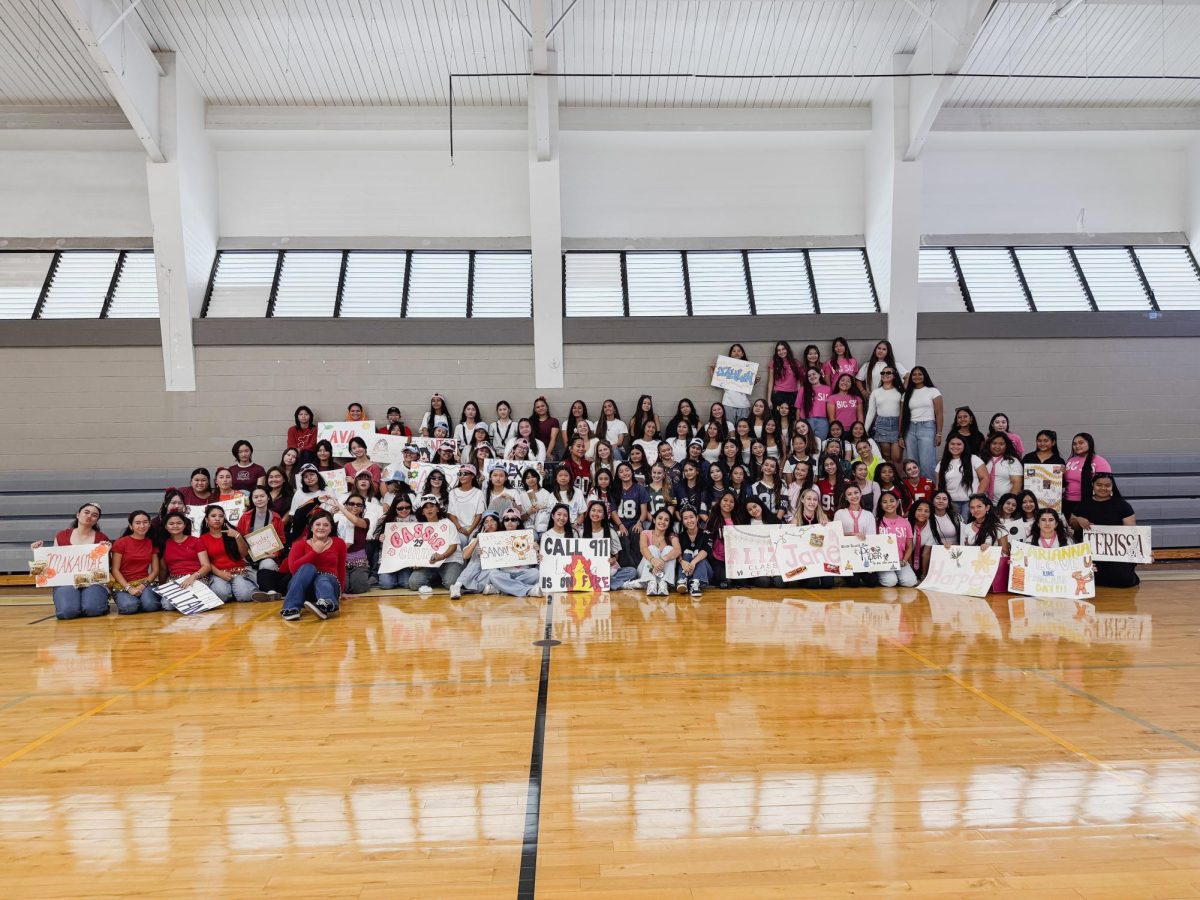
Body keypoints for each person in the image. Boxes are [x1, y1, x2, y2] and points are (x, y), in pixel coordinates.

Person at [30, 503, 111, 620]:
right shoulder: (62, 535)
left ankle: (92, 603)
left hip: (93, 582)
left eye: (94, 515)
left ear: (97, 520)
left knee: (93, 609)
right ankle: (75, 604)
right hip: (66, 582)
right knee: (66, 612)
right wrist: (37, 553)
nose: (89, 516)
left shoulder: (102, 538)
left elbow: (105, 568)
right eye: (86, 512)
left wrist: (107, 552)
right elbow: (52, 565)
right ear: (78, 515)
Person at [1070, 472, 1140, 587]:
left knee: (1124, 581)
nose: (1103, 488)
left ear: (1112, 487)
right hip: (1091, 552)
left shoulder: (1122, 505)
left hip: (1116, 553)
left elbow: (1131, 532)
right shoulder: (1084, 504)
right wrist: (1078, 519)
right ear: (1093, 485)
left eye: (1107, 485)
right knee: (1087, 579)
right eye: (1099, 485)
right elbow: (1072, 524)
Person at [280, 510, 347, 621]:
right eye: (318, 524)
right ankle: (290, 608)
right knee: (308, 567)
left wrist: (342, 591)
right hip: (303, 587)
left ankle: (326, 604)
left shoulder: (339, 543)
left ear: (331, 528)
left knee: (323, 577)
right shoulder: (299, 544)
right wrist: (314, 552)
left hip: (328, 586)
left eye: (326, 525)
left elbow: (341, 569)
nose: (321, 528)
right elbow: (293, 569)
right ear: (311, 527)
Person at [407, 495, 465, 594]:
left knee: (450, 583)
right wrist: (416, 562)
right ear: (422, 511)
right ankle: (438, 578)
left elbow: (453, 546)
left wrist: (442, 556)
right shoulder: (419, 527)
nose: (429, 509)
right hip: (430, 563)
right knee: (414, 583)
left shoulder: (448, 523)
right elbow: (417, 548)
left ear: (437, 509)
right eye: (426, 507)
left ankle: (443, 577)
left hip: (450, 560)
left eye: (432, 506)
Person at [200, 504, 257, 602]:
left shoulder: (233, 532)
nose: (217, 519)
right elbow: (206, 562)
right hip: (218, 573)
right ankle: (233, 591)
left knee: (245, 596)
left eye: (221, 516)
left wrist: (237, 536)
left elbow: (243, 554)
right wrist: (220, 573)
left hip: (238, 572)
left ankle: (240, 590)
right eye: (213, 516)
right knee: (222, 595)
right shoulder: (202, 539)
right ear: (206, 520)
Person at [110, 511, 163, 614]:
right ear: (131, 526)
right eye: (137, 523)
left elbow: (155, 570)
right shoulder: (121, 543)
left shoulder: (152, 542)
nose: (142, 526)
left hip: (144, 583)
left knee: (150, 605)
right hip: (123, 585)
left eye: (145, 522)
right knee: (130, 607)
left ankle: (142, 601)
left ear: (149, 524)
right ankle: (135, 601)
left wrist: (142, 586)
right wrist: (129, 588)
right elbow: (115, 570)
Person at [580, 500, 639, 591]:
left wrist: (612, 560)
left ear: (604, 516)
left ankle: (604, 582)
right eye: (593, 510)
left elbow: (616, 556)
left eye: (599, 511)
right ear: (588, 513)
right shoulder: (581, 532)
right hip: (588, 571)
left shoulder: (610, 532)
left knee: (632, 571)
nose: (596, 513)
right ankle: (619, 584)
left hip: (608, 571)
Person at [897, 366, 943, 480]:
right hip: (910, 429)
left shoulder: (933, 391)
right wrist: (901, 436)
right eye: (914, 375)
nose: (917, 377)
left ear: (925, 376)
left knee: (927, 463)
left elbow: (939, 414)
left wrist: (939, 433)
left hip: (927, 428)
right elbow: (902, 417)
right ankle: (915, 493)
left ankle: (929, 491)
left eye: (920, 374)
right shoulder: (906, 394)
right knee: (913, 463)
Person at [159, 510, 211, 609]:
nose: (175, 526)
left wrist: (193, 577)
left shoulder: (196, 541)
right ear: (166, 526)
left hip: (196, 577)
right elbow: (163, 569)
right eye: (171, 523)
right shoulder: (164, 544)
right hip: (174, 579)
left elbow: (207, 566)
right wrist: (162, 588)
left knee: (194, 601)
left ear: (184, 525)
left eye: (179, 523)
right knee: (167, 605)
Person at [238, 485, 286, 576]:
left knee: (269, 566)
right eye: (255, 497)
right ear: (251, 499)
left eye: (262, 496)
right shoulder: (245, 517)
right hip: (247, 557)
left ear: (268, 497)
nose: (259, 499)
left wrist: (274, 554)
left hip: (267, 556)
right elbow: (239, 538)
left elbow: (281, 540)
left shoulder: (276, 517)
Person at [1064, 432, 1111, 521]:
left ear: (1089, 443)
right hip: (1067, 502)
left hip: (1088, 503)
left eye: (1081, 443)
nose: (1077, 446)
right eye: (1074, 444)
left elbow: (1106, 484)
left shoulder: (1100, 461)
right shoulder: (1070, 460)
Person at [938, 435, 987, 518]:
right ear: (948, 446)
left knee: (968, 527)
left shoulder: (974, 459)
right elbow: (938, 485)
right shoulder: (942, 463)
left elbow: (985, 478)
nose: (955, 446)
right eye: (952, 444)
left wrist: (978, 497)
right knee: (955, 528)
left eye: (959, 444)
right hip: (951, 503)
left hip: (970, 501)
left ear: (964, 446)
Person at [634, 509, 681, 596]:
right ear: (654, 520)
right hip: (647, 567)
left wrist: (662, 559)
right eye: (660, 518)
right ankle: (651, 583)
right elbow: (643, 549)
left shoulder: (672, 536)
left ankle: (663, 583)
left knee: (670, 549)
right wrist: (652, 560)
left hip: (663, 572)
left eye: (666, 520)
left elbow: (678, 550)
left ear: (669, 523)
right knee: (652, 548)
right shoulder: (645, 533)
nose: (663, 522)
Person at [876, 491, 918, 587]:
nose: (889, 504)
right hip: (884, 562)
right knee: (890, 582)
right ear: (881, 505)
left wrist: (904, 560)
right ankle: (890, 576)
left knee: (910, 582)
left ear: (897, 502)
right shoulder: (877, 522)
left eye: (892, 501)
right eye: (885, 502)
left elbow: (909, 546)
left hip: (901, 561)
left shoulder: (905, 522)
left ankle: (899, 576)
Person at [374, 496, 417, 590]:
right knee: (386, 585)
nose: (404, 510)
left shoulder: (416, 519)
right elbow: (374, 535)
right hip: (388, 559)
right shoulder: (385, 518)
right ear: (394, 507)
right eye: (400, 508)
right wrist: (379, 537)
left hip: (407, 560)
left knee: (406, 584)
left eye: (407, 507)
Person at [710, 343, 760, 424]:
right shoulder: (725, 366)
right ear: (730, 354)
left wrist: (757, 379)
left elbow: (749, 386)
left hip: (743, 404)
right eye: (734, 351)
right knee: (730, 428)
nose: (736, 353)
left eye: (739, 351)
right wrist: (712, 369)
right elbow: (716, 382)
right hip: (728, 403)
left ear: (743, 353)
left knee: (743, 428)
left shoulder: (749, 368)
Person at [865, 366, 904, 463]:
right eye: (883, 373)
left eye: (888, 373)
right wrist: (865, 430)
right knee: (885, 455)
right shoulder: (876, 392)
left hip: (897, 425)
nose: (885, 375)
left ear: (894, 376)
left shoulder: (900, 392)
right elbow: (871, 413)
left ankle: (897, 477)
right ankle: (888, 477)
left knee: (897, 457)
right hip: (882, 424)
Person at [705, 489, 739, 588]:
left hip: (735, 558)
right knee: (726, 581)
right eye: (725, 500)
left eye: (732, 501)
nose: (728, 503)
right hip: (718, 558)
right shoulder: (712, 520)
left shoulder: (738, 518)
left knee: (741, 581)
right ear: (719, 502)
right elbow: (707, 541)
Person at [675, 506, 711, 597]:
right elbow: (677, 552)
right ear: (682, 521)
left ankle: (695, 584)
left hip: (704, 572)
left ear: (697, 517)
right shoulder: (680, 536)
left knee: (700, 558)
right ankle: (682, 581)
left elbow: (705, 551)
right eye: (685, 518)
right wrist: (681, 561)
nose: (689, 521)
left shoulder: (706, 534)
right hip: (686, 570)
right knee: (686, 555)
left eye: (691, 517)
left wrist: (694, 562)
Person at [447, 465, 485, 544]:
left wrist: (470, 530)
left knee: (474, 542)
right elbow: (451, 514)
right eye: (460, 474)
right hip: (457, 528)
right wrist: (459, 528)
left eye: (465, 474)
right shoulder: (452, 492)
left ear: (472, 476)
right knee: (461, 540)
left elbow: (479, 515)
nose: (462, 476)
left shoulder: (479, 493)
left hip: (474, 529)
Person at [983, 432, 1024, 503]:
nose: (997, 447)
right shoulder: (983, 460)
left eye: (1001, 444)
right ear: (989, 444)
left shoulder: (1012, 461)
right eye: (994, 443)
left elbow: (1017, 483)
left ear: (1006, 445)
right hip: (984, 503)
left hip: (1003, 505)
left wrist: (1009, 502)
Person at [766, 341, 803, 408]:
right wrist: (769, 400)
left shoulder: (796, 363)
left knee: (792, 417)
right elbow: (770, 382)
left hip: (793, 394)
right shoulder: (773, 363)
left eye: (783, 349)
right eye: (779, 350)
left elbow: (798, 382)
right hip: (778, 394)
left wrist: (799, 397)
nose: (781, 352)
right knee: (778, 417)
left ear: (787, 349)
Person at [800, 366, 832, 442]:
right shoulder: (803, 389)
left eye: (814, 374)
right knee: (807, 442)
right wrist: (798, 421)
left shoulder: (828, 389)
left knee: (820, 443)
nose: (812, 377)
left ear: (819, 375)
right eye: (809, 376)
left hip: (823, 420)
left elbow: (831, 407)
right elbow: (798, 407)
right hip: (807, 420)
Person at [907, 499, 934, 580]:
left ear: (930, 513)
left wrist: (923, 576)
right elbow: (907, 549)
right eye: (919, 510)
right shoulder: (906, 523)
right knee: (910, 578)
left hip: (919, 554)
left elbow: (926, 554)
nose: (923, 513)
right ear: (914, 510)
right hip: (905, 555)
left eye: (926, 511)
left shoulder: (932, 526)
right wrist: (912, 575)